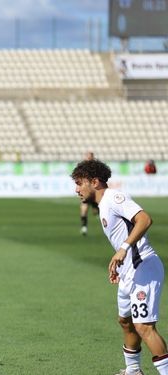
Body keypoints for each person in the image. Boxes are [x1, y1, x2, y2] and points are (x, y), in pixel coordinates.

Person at [72, 159, 168, 375]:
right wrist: (119, 264)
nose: (76, 189)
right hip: (129, 272)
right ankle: (133, 370)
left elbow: (144, 219)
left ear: (94, 182)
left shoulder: (115, 197)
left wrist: (124, 249)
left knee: (144, 327)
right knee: (125, 321)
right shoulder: (103, 205)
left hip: (144, 267)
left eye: (79, 183)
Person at [80, 151, 98, 235]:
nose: (89, 158)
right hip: (86, 191)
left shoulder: (96, 167)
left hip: (94, 192)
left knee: (95, 211)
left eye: (90, 156)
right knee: (84, 209)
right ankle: (84, 228)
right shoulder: (82, 167)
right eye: (88, 156)